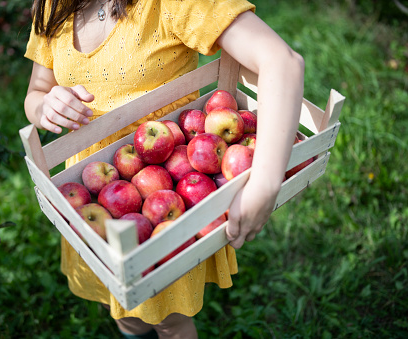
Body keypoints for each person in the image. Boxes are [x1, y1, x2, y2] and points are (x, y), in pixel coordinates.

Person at [23, 0, 304, 338]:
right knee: (126, 310)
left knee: (168, 318)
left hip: (169, 184)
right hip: (94, 192)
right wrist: (45, 105)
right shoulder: (55, 3)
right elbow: (36, 90)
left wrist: (265, 183)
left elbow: (282, 62)